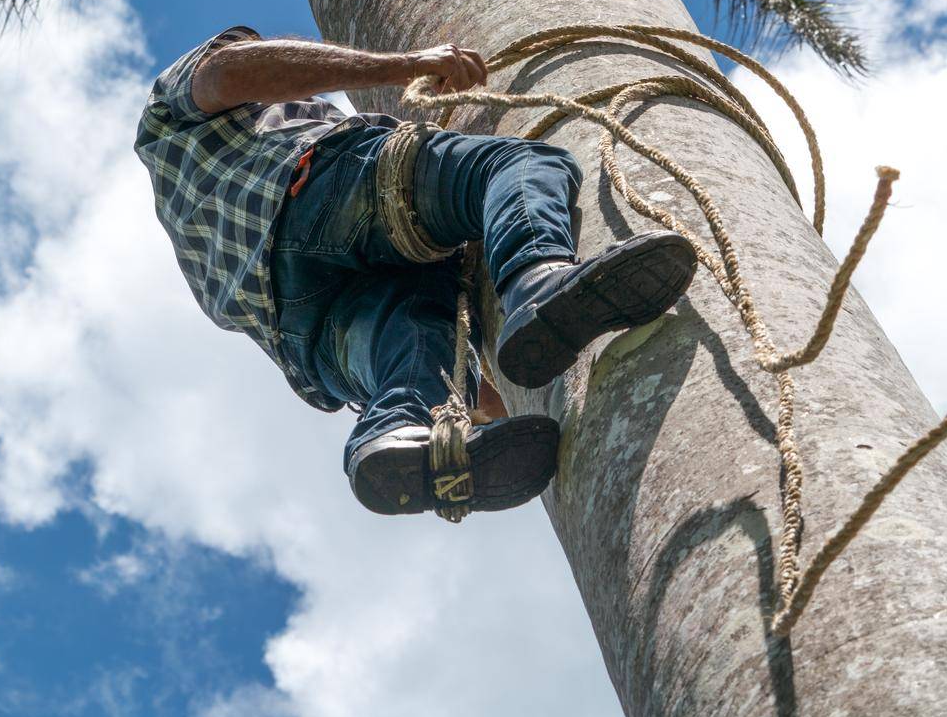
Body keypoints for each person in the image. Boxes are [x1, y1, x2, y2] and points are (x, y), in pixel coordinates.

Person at [135, 26, 697, 518]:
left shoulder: (182, 202)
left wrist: (494, 402)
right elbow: (230, 71)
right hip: (313, 191)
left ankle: (392, 433)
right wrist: (409, 64)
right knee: (521, 163)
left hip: (304, 331)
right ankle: (536, 277)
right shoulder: (178, 100)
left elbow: (459, 359)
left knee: (418, 347)